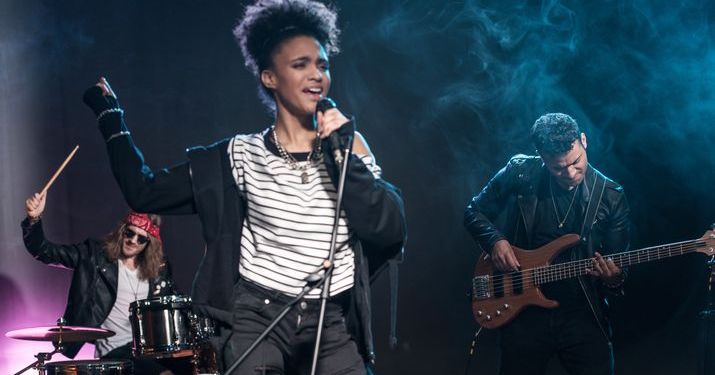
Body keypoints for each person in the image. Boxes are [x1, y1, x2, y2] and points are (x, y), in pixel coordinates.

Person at [81, 0, 407, 374]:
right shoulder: (240, 155)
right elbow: (145, 191)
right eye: (300, 65)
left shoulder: (350, 144)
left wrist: (343, 153)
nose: (317, 75)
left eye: (323, 64)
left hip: (330, 318)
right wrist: (110, 117)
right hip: (258, 316)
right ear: (270, 77)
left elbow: (390, 229)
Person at [464, 113, 630, 375]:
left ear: (583, 141)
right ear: (542, 158)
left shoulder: (611, 197)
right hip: (524, 315)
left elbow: (618, 272)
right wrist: (495, 240)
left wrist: (613, 278)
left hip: (582, 314)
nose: (570, 173)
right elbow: (474, 212)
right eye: (558, 168)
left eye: (576, 162)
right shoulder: (520, 171)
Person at [22, 192, 176, 374]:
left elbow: (173, 304)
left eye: (141, 238)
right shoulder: (94, 256)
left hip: (146, 349)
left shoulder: (157, 271)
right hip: (114, 351)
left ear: (149, 244)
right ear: (122, 231)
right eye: (130, 233)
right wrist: (34, 219)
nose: (133, 240)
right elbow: (45, 251)